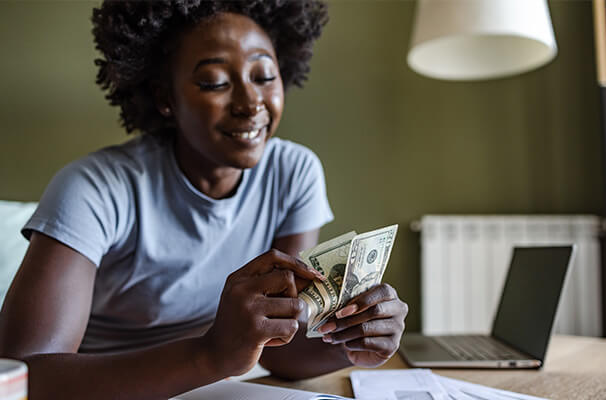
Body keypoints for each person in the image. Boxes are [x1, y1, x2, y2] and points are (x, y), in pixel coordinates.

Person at [0, 1, 409, 399]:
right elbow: (24, 376)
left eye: (264, 75)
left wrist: (348, 339)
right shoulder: (93, 189)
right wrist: (209, 354)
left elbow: (283, 348)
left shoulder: (293, 172)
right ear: (165, 97)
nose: (251, 103)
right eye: (215, 82)